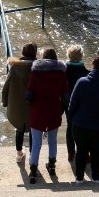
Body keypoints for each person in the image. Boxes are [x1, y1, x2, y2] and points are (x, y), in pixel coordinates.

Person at [67, 54, 99, 183]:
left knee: (81, 151)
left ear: (93, 66)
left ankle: (79, 178)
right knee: (97, 152)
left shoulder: (82, 82)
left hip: (79, 125)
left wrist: (71, 120)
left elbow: (72, 105)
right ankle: (96, 177)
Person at [25, 47, 69, 183]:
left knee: (37, 144)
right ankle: (52, 166)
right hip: (54, 112)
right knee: (52, 142)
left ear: (43, 58)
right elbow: (66, 97)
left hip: (38, 112)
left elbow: (29, 95)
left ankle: (33, 172)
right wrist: (60, 109)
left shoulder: (35, 74)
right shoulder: (61, 74)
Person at [1, 42, 37, 164]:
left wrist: (5, 102)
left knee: (19, 129)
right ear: (35, 53)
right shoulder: (38, 68)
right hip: (33, 105)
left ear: (23, 53)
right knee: (34, 130)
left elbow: (6, 87)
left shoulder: (15, 67)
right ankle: (33, 155)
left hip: (18, 105)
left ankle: (19, 154)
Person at [64, 44, 89, 162]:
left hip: (67, 102)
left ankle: (70, 152)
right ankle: (85, 153)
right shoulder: (87, 73)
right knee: (84, 127)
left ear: (69, 56)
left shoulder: (64, 71)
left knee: (70, 127)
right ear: (81, 56)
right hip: (82, 103)